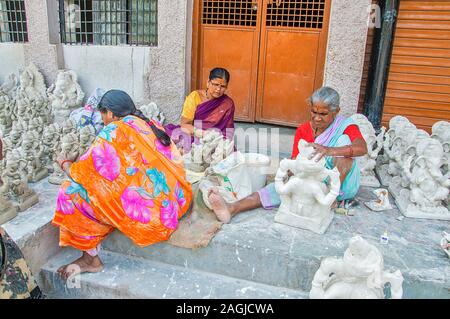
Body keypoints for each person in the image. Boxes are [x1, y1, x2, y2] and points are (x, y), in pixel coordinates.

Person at [53, 90, 193, 279]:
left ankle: (90, 260)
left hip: (153, 217)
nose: (103, 121)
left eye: (102, 115)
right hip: (176, 203)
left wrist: (64, 163)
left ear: (110, 113)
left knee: (69, 192)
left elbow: (81, 175)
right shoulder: (149, 123)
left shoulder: (114, 130)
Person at [208, 86, 368, 223]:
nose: (317, 118)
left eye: (324, 114)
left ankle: (329, 200)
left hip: (340, 183)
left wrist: (328, 150)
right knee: (279, 187)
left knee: (343, 142)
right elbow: (295, 160)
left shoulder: (345, 126)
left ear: (336, 111)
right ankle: (232, 208)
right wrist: (286, 175)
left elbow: (361, 148)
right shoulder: (304, 129)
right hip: (313, 178)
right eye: (314, 112)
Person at [165, 67, 235, 153]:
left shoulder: (228, 103)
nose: (218, 89)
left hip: (215, 138)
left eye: (223, 86)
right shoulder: (195, 97)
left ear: (226, 87)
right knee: (183, 150)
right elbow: (184, 125)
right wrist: (204, 134)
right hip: (196, 134)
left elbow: (228, 131)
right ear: (208, 83)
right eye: (215, 84)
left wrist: (221, 141)